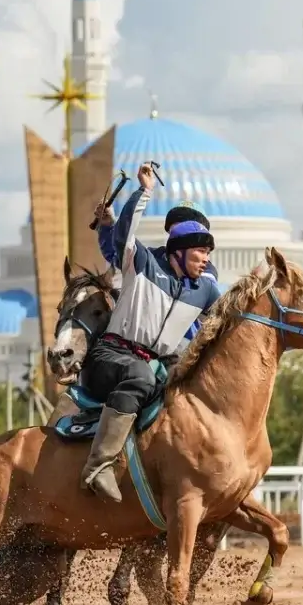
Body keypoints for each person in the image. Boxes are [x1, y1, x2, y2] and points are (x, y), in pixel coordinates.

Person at [80, 163, 222, 503]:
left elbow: (233, 318)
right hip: (114, 355)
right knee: (141, 375)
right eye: (200, 251)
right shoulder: (144, 262)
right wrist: (142, 192)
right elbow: (121, 239)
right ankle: (98, 466)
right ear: (178, 249)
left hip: (162, 360)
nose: (205, 259)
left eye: (207, 252)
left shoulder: (204, 286)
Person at [93, 197, 219, 350]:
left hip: (183, 346)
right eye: (178, 225)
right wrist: (108, 226)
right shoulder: (152, 257)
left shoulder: (205, 271)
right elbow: (118, 256)